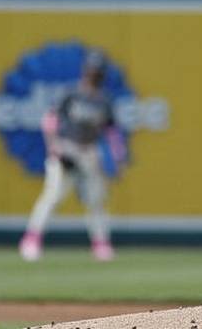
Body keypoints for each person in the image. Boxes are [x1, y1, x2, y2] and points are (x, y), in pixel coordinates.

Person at [19, 50, 126, 261]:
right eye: (91, 70)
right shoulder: (72, 94)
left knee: (96, 201)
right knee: (53, 196)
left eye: (97, 71)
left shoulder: (104, 101)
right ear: (85, 71)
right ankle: (31, 240)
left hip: (89, 152)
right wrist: (53, 146)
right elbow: (50, 120)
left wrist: (117, 157)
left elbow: (112, 132)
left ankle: (101, 244)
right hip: (66, 149)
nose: (93, 74)